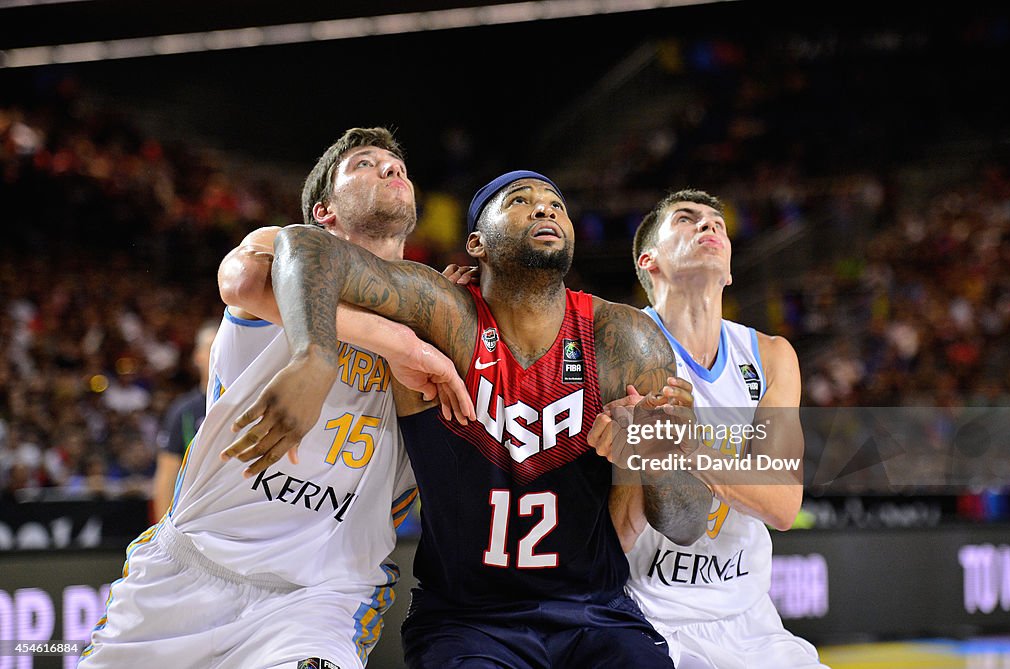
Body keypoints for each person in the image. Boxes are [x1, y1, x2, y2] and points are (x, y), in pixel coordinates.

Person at [223, 170, 713, 668]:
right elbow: (305, 246)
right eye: (521, 201)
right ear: (476, 243)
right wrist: (316, 355)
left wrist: (657, 457)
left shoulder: (626, 340)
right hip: (466, 621)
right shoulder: (441, 314)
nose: (544, 209)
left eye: (556, 204)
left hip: (596, 614)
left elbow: (689, 524)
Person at [80, 127, 473, 669]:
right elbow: (242, 281)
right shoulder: (281, 249)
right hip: (191, 569)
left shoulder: (439, 314)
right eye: (364, 163)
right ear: (324, 211)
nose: (391, 168)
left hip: (317, 598)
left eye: (397, 165)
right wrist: (396, 344)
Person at [591, 189, 825, 668]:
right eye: (686, 218)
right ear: (649, 261)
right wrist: (637, 455)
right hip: (647, 614)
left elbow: (782, 503)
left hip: (751, 618)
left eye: (717, 223)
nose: (709, 227)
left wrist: (684, 448)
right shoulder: (619, 345)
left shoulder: (772, 355)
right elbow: (614, 533)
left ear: (731, 271)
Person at [151, 320, 219, 523]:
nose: (218, 353)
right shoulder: (183, 411)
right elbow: (166, 475)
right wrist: (162, 529)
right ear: (197, 357)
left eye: (225, 346)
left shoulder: (250, 403)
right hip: (194, 519)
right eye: (212, 347)